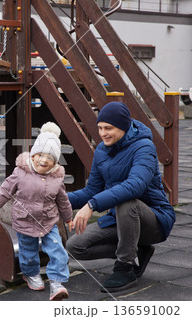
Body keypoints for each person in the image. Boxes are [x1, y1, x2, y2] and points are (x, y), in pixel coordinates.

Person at [67, 101, 176, 293]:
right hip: (120, 219)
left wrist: (92, 205)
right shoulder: (102, 150)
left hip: (154, 220)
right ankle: (138, 250)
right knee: (75, 246)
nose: (103, 133)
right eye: (100, 128)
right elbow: (91, 191)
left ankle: (125, 266)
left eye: (108, 128)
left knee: (127, 202)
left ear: (123, 126)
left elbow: (135, 185)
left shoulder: (144, 147)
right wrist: (58, 198)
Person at [0, 122, 73, 301]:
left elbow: (63, 201)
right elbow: (5, 189)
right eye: (39, 155)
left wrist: (68, 218)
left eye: (49, 158)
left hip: (48, 221)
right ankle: (30, 273)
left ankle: (56, 282)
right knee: (28, 252)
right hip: (24, 220)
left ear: (55, 163)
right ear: (32, 156)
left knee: (58, 250)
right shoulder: (21, 172)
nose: (43, 160)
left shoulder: (56, 179)